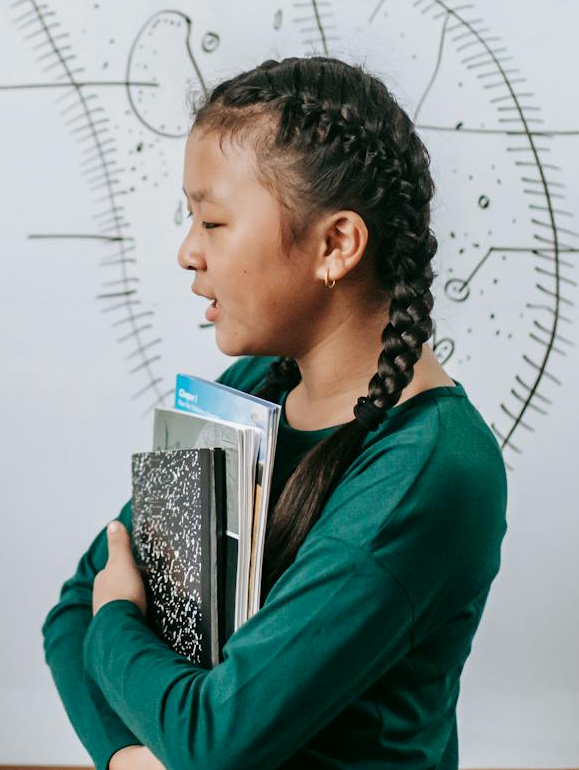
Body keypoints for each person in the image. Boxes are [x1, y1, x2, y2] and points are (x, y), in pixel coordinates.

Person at [44, 57, 507, 770]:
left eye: (214, 220)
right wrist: (130, 756)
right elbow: (75, 603)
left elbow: (212, 738)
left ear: (336, 243)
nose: (187, 251)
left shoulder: (433, 466)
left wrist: (118, 620)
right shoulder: (251, 386)